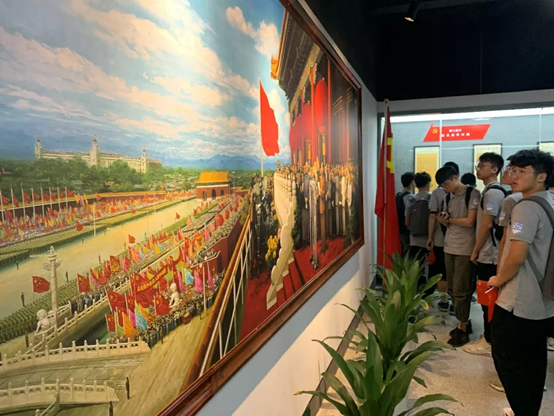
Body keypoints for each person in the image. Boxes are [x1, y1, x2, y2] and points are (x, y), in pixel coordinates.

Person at [487, 149, 554, 416]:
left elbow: (516, 256)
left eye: (522, 171)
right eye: (512, 170)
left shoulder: (525, 207)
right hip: (544, 298)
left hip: (519, 299)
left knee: (506, 358)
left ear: (542, 176)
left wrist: (498, 279)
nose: (514, 176)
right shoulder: (550, 201)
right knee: (535, 359)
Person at [464, 153, 506, 357]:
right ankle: (490, 337)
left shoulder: (493, 193)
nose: (478, 169)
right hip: (489, 253)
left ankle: (490, 342)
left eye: (483, 166)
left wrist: (475, 250)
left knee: (488, 299)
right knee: (486, 299)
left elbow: (487, 224)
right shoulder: (490, 191)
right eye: (478, 165)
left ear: (494, 169)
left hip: (490, 255)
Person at [435, 165, 480, 347]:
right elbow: (448, 221)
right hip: (449, 246)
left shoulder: (472, 194)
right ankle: (463, 322)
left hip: (465, 248)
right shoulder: (448, 197)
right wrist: (443, 219)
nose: (445, 188)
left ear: (456, 177)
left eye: (446, 184)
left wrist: (450, 220)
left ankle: (462, 328)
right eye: (442, 186)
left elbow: (470, 222)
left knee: (462, 289)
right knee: (452, 288)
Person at [427, 161, 459, 312]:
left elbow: (432, 216)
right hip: (459, 241)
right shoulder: (467, 193)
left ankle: (444, 301)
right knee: (457, 271)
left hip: (441, 238)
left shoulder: (436, 193)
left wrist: (430, 236)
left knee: (442, 270)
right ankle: (455, 302)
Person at [405, 172, 432, 288]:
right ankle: (428, 290)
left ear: (415, 185)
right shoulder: (432, 198)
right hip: (429, 240)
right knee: (430, 265)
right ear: (428, 184)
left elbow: (407, 222)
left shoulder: (411, 200)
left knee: (417, 266)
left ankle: (416, 289)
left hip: (414, 240)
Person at [397, 172, 415, 254]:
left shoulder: (398, 195)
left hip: (399, 227)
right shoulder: (411, 197)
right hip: (407, 228)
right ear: (412, 182)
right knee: (407, 251)